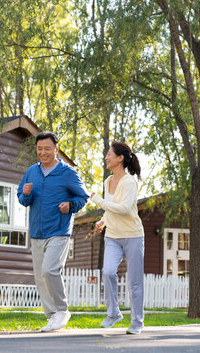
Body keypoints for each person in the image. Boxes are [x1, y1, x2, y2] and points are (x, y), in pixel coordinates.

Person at [17, 132, 89, 332]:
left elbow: (83, 197)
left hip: (59, 230)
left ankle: (62, 310)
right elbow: (22, 199)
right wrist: (25, 194)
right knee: (40, 276)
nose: (43, 152)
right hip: (37, 231)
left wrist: (71, 205)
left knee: (50, 270)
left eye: (47, 149)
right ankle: (52, 316)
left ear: (56, 150)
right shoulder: (32, 172)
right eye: (39, 149)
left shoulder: (67, 173)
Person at [90, 142, 144, 335]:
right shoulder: (107, 181)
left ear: (120, 158)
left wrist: (98, 200)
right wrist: (103, 221)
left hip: (132, 236)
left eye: (109, 154)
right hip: (112, 235)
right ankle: (113, 314)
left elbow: (123, 208)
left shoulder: (129, 182)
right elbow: (111, 207)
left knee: (134, 281)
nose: (106, 157)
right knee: (108, 272)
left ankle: (137, 323)